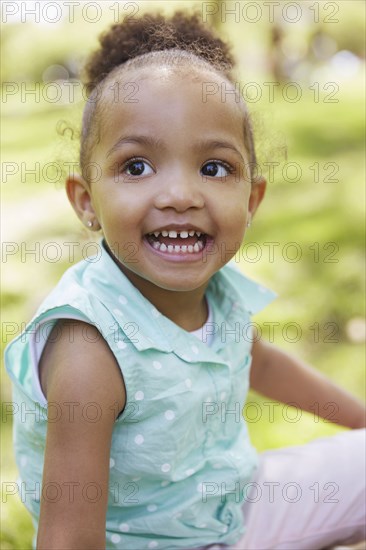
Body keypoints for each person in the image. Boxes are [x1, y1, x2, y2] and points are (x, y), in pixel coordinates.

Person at [5, 11, 365, 550]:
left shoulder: (215, 293)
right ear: (86, 202)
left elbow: (261, 362)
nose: (180, 195)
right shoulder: (90, 350)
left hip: (232, 507)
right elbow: (68, 540)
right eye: (136, 167)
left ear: (252, 199)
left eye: (213, 168)